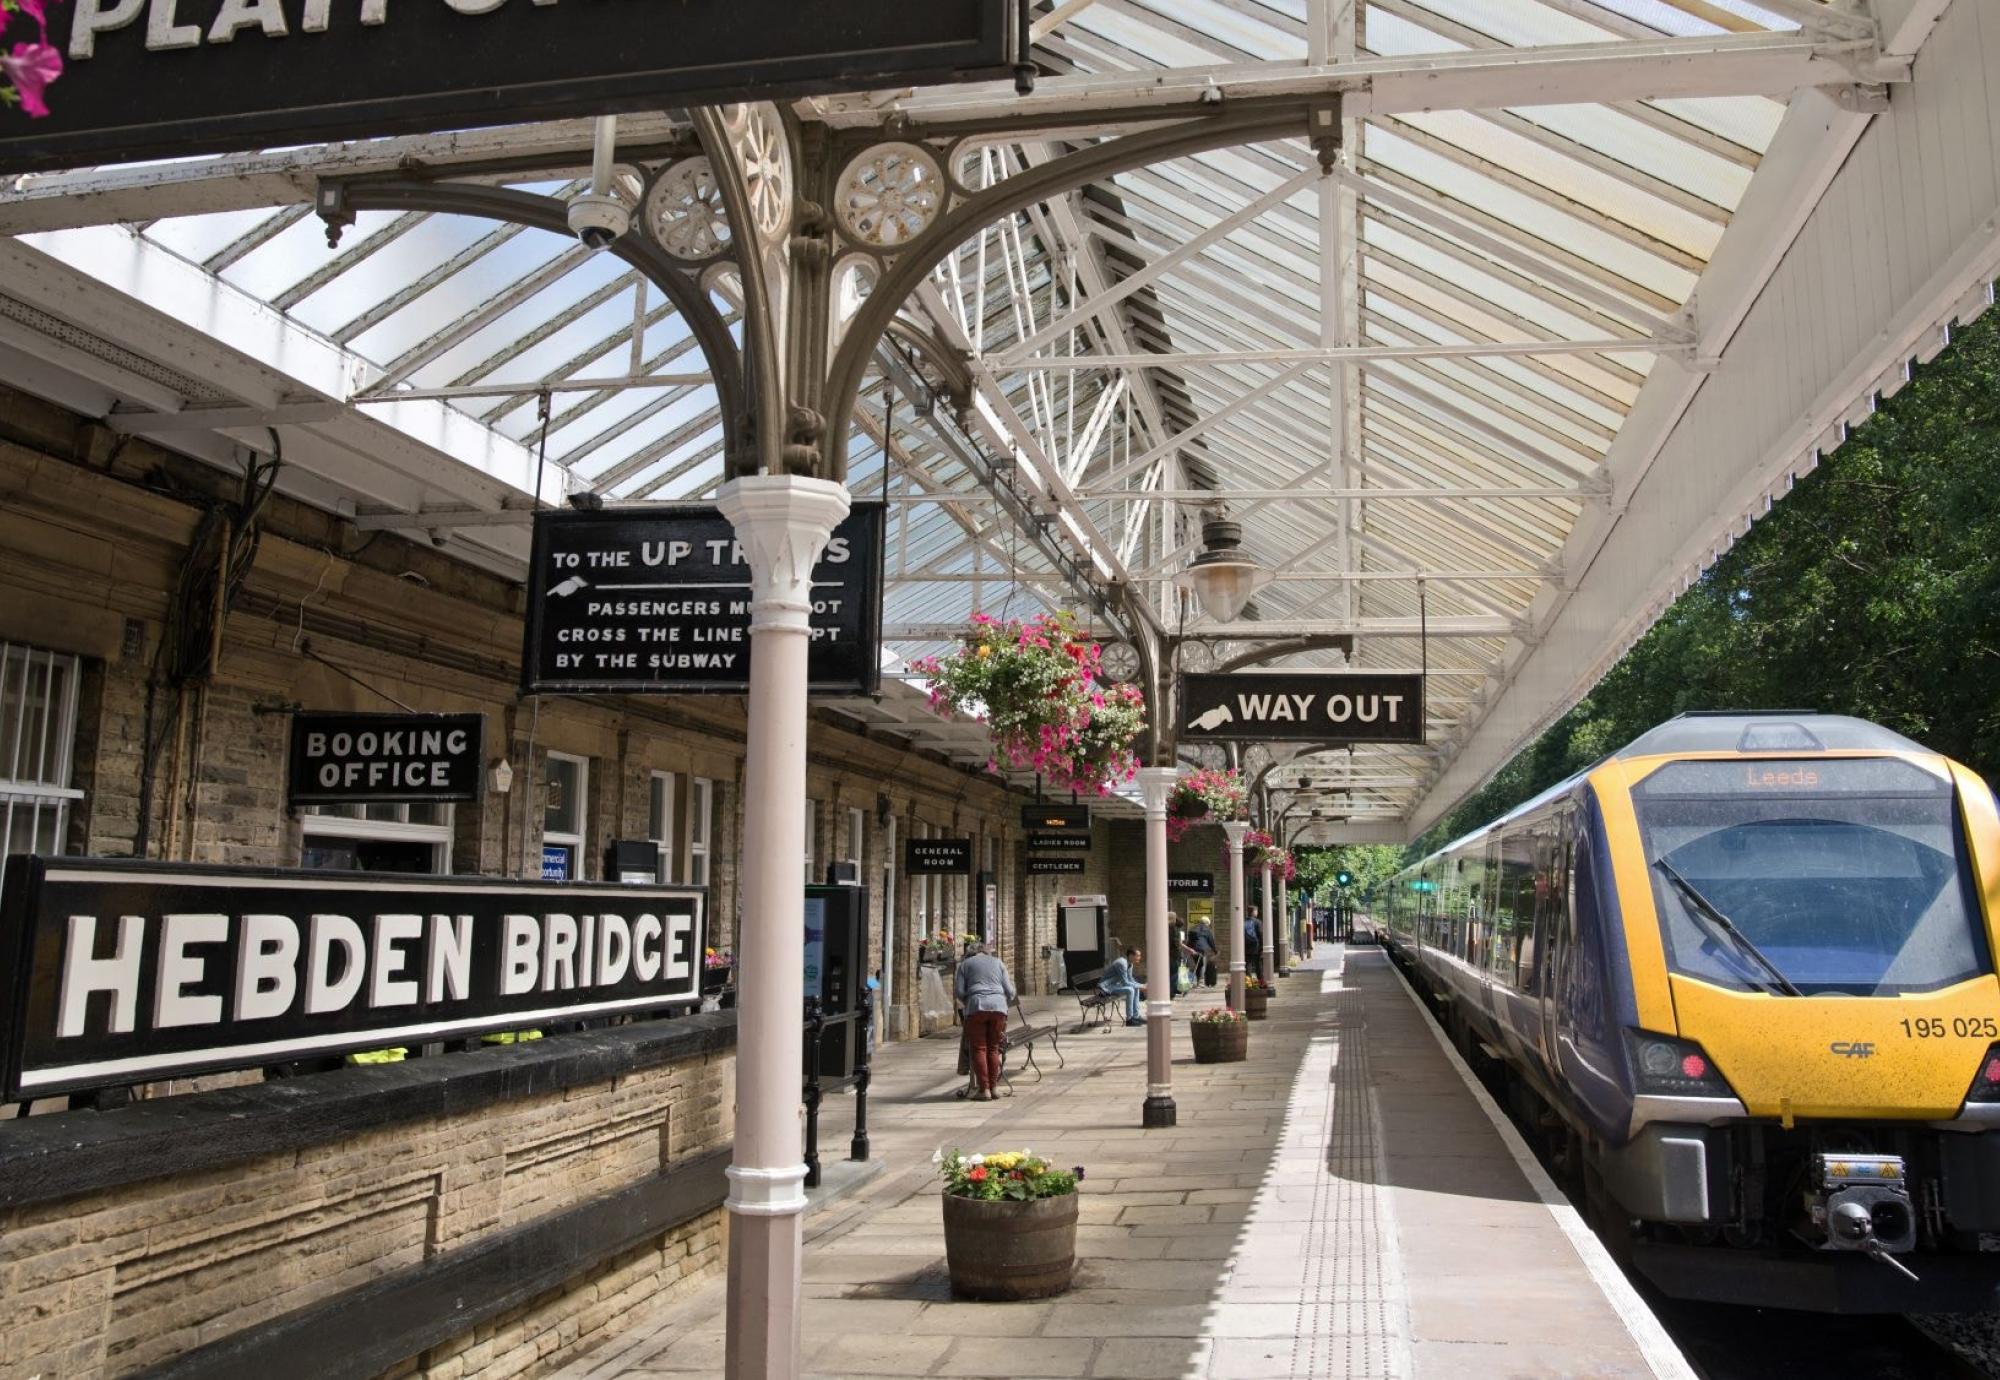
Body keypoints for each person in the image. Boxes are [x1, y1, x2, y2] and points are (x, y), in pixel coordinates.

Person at [953, 942, 1015, 1102]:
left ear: (970, 953)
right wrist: (1001, 999)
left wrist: (970, 1001)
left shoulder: (965, 965)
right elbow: (1010, 991)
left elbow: (959, 992)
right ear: (986, 952)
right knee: (993, 1048)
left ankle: (984, 1090)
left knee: (979, 1049)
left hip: (976, 1006)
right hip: (999, 1008)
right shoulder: (998, 962)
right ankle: (994, 1088)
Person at [1099, 946, 1144, 1026]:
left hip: (1115, 985)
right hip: (1106, 987)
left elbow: (1130, 979)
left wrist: (1141, 985)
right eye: (1138, 955)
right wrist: (1142, 986)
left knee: (1135, 988)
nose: (1139, 958)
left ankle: (1136, 1016)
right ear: (1131, 956)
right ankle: (1129, 1020)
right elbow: (1125, 983)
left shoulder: (1130, 964)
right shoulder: (1121, 963)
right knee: (1130, 990)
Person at [1189, 918, 1218, 987]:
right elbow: (1211, 941)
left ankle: (1195, 981)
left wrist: (1189, 949)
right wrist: (1215, 951)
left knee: (1197, 965)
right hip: (1202, 950)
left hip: (1193, 949)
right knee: (1202, 965)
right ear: (1207, 923)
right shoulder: (1207, 930)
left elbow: (1189, 940)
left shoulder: (1193, 928)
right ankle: (1200, 982)